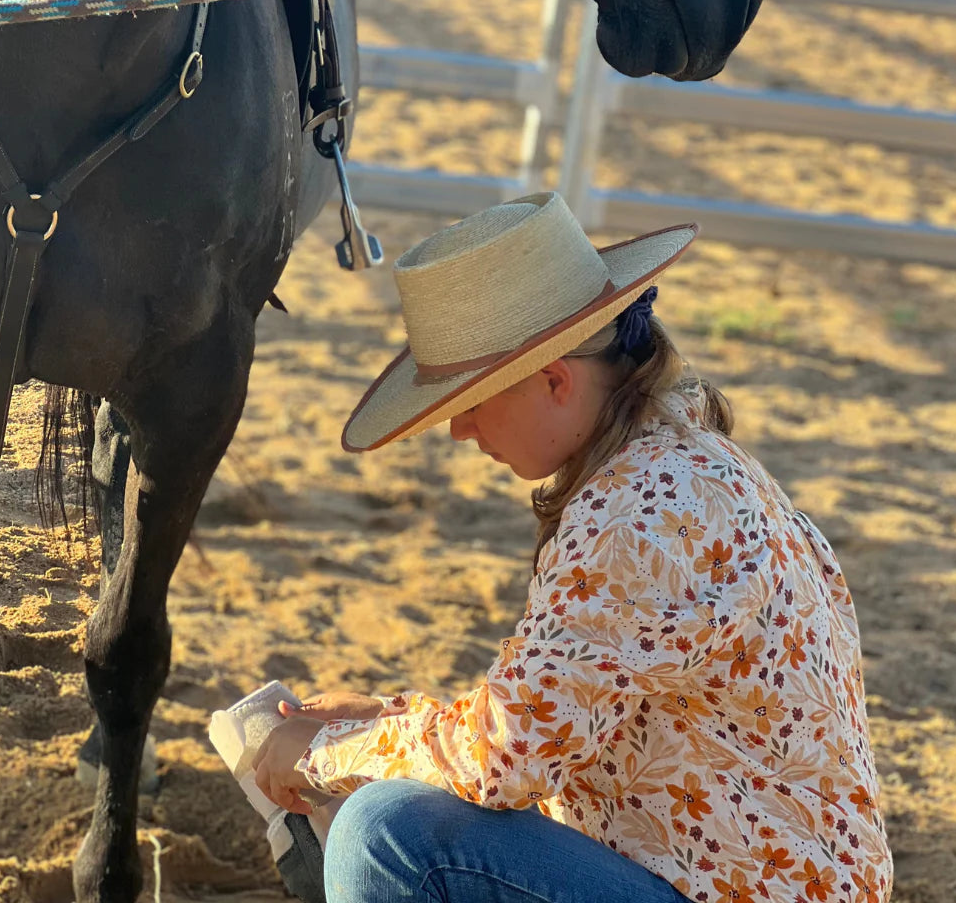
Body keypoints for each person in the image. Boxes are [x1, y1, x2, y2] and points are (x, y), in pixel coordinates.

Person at [252, 192, 893, 903]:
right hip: (742, 876)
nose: (460, 431)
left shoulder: (633, 518)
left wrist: (320, 755)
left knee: (386, 833)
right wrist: (385, 722)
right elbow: (552, 717)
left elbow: (505, 757)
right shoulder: (688, 463)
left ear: (554, 381)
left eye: (470, 401)